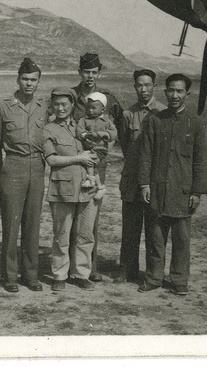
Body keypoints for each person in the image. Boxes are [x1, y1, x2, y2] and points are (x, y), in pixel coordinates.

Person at [138, 73, 207, 296]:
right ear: (165, 92)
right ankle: (153, 277)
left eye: (179, 91)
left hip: (182, 191)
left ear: (187, 94)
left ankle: (179, 280)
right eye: (171, 90)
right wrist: (144, 184)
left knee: (181, 241)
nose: (174, 95)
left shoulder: (195, 123)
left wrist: (197, 191)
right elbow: (146, 155)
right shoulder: (155, 120)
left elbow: (200, 160)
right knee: (155, 238)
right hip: (157, 189)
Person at [0, 57, 48, 292]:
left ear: (38, 82)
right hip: (13, 165)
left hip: (38, 166)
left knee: (33, 223)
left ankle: (30, 275)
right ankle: (10, 275)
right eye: (25, 79)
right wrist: (1, 171)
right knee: (11, 224)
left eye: (33, 80)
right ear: (17, 80)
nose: (28, 84)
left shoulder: (43, 107)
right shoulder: (3, 107)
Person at [70, 52, 123, 282]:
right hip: (74, 162)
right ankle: (72, 268)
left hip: (97, 164)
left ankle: (90, 267)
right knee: (72, 213)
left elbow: (120, 126)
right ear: (79, 72)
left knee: (92, 216)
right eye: (86, 72)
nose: (90, 76)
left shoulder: (108, 99)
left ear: (99, 73)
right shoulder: (71, 96)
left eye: (94, 72)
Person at [44, 87, 100, 291]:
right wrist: (78, 158)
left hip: (86, 188)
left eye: (64, 104)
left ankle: (81, 274)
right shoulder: (49, 129)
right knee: (62, 234)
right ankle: (59, 275)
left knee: (85, 234)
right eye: (56, 104)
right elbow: (51, 159)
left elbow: (95, 150)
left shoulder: (81, 127)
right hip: (62, 188)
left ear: (72, 105)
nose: (60, 108)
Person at [115, 69, 166, 284]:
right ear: (135, 87)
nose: (143, 89)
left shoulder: (163, 113)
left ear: (154, 85)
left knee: (154, 229)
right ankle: (128, 269)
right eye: (139, 85)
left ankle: (153, 274)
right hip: (132, 179)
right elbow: (126, 145)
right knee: (130, 227)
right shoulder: (128, 114)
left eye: (147, 85)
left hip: (154, 180)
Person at [75, 92, 117, 197]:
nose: (90, 110)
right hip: (88, 148)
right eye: (88, 107)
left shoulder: (106, 121)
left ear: (103, 109)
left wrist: (105, 134)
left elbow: (113, 133)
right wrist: (85, 135)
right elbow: (79, 130)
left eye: (94, 108)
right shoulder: (84, 120)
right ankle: (98, 186)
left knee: (92, 162)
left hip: (100, 148)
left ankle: (95, 183)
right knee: (91, 163)